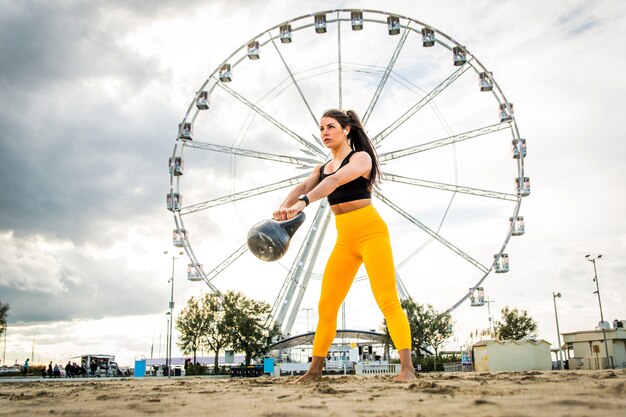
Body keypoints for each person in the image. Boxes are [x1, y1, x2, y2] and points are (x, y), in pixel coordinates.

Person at [273, 109, 417, 383]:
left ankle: (407, 369)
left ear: (346, 129)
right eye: (321, 128)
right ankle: (314, 371)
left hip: (371, 232)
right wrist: (283, 207)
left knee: (387, 300)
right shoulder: (321, 167)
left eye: (330, 127)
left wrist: (302, 203)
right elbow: (302, 185)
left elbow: (335, 181)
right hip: (344, 239)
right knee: (326, 306)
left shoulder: (361, 158)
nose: (325, 132)